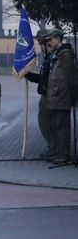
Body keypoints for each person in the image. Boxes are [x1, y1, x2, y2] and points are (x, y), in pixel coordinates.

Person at [44, 28, 75, 165]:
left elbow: (70, 77)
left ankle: (64, 154)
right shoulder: (56, 53)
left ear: (58, 38)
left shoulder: (65, 54)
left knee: (62, 127)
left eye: (51, 39)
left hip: (62, 96)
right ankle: (58, 152)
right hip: (55, 97)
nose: (49, 42)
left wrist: (71, 96)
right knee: (56, 126)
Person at [25, 29, 53, 160]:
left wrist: (31, 76)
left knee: (47, 123)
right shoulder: (47, 57)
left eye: (41, 44)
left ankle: (54, 147)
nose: (40, 47)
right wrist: (30, 76)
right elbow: (44, 78)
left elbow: (49, 79)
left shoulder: (52, 57)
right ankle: (52, 147)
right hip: (47, 94)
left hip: (50, 95)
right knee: (45, 123)